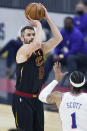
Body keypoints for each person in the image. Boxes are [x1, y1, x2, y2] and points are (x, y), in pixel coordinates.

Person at [12, 3, 63, 131]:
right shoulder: (23, 51)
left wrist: (47, 17)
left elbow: (58, 38)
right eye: (28, 35)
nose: (32, 37)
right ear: (22, 38)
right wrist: (38, 24)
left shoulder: (40, 49)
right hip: (22, 99)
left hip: (37, 99)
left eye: (33, 34)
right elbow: (38, 42)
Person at [39, 62, 87, 131]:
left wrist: (56, 80)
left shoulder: (59, 96)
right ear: (84, 82)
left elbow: (41, 96)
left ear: (70, 83)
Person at [43, 17, 87, 83]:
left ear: (72, 24)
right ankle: (42, 79)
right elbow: (58, 45)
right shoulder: (62, 32)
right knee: (50, 57)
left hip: (82, 56)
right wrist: (55, 54)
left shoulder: (77, 34)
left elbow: (73, 50)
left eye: (69, 23)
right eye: (66, 23)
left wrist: (61, 56)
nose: (67, 25)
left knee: (71, 58)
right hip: (66, 55)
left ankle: (73, 82)